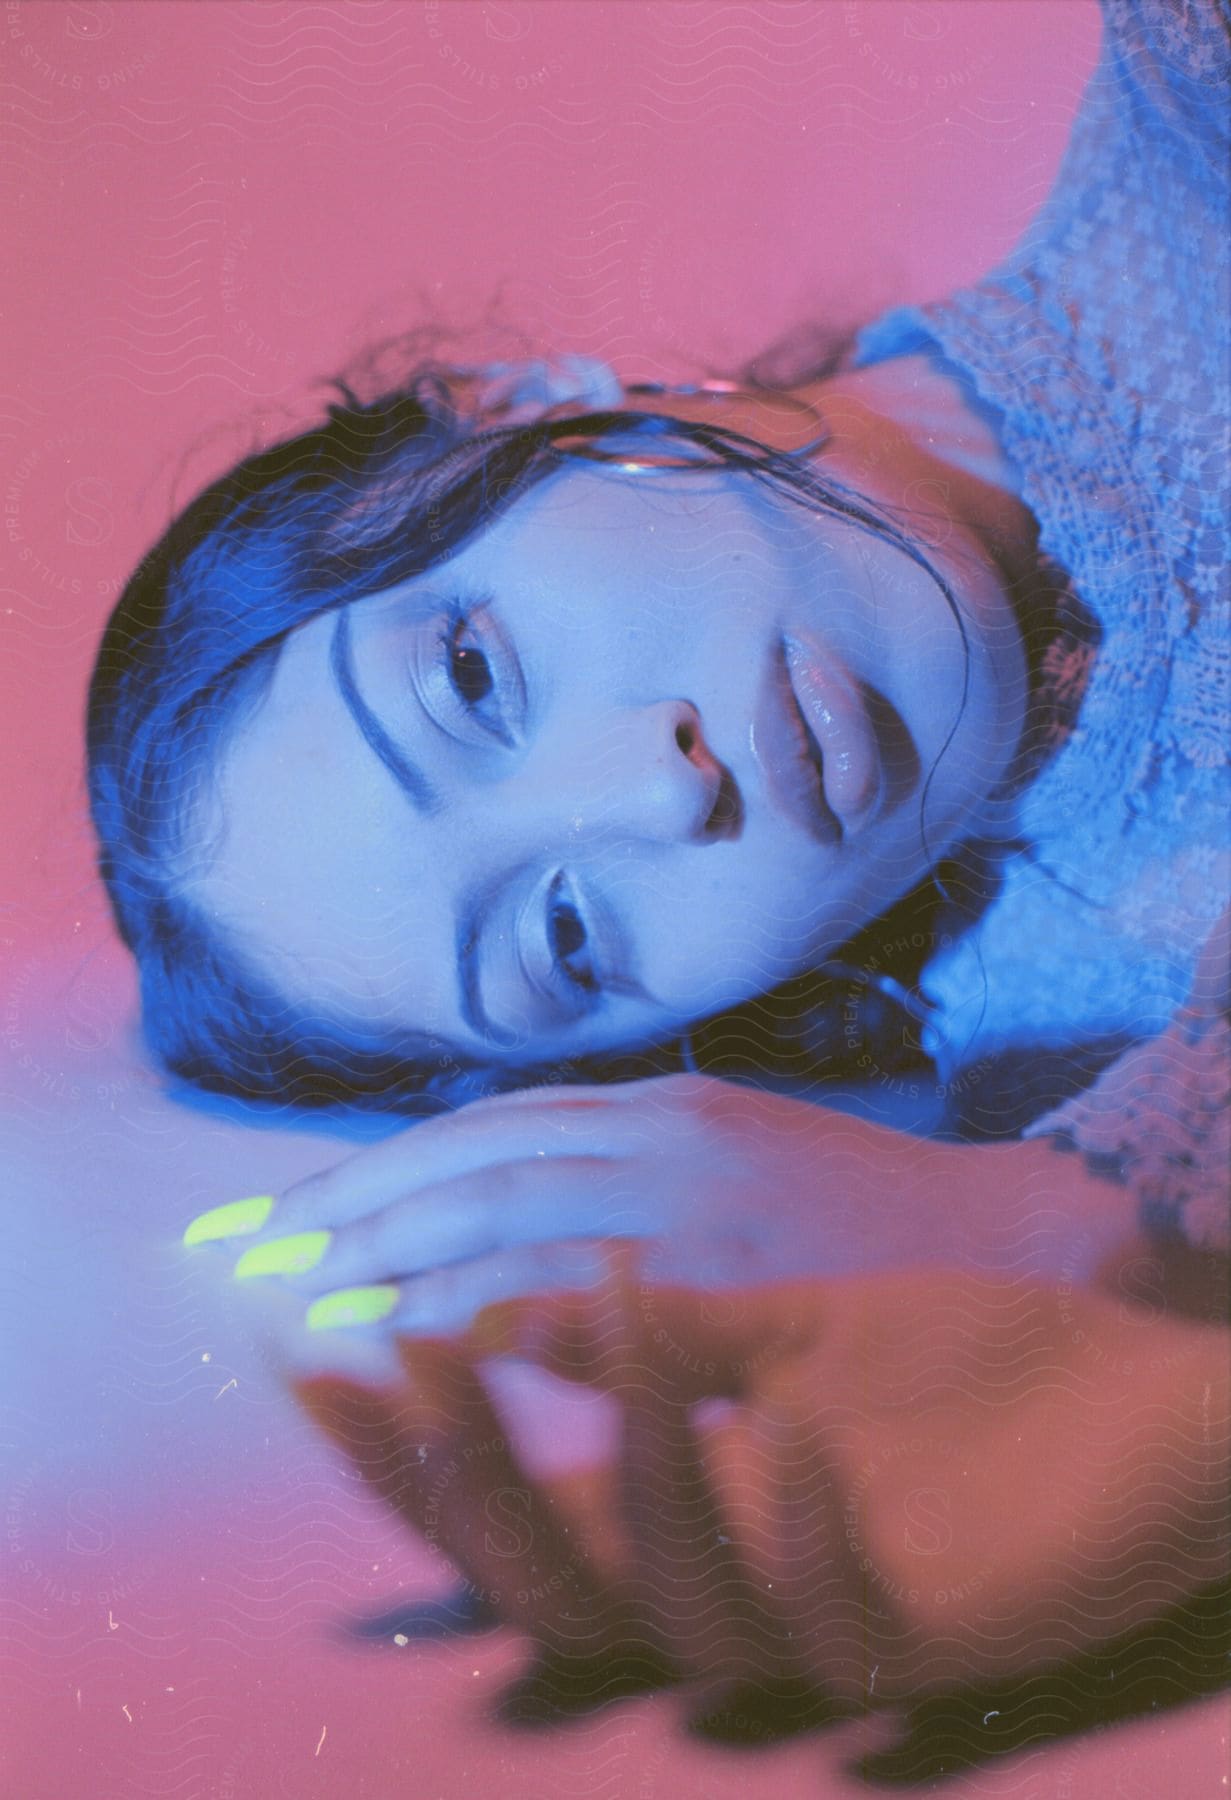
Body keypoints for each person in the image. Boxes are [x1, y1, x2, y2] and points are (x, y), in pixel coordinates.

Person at [93, 0, 1227, 1736]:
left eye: (473, 677)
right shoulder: (1046, 1044)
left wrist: (1078, 1229)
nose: (656, 794)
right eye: (561, 935)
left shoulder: (1190, 99)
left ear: (535, 406)